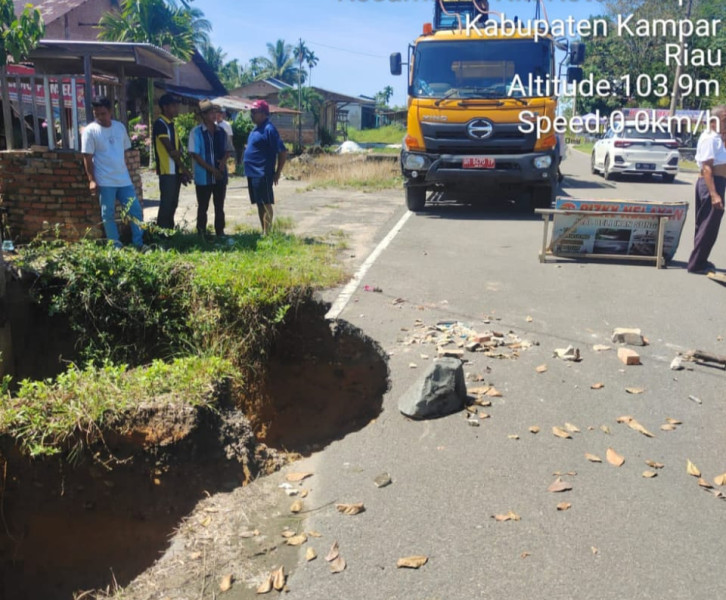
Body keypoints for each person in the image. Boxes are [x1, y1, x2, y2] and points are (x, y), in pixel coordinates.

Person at [81, 96, 145, 249]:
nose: (100, 117)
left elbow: (123, 151)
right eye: (97, 114)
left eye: (103, 113)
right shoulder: (90, 131)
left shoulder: (119, 128)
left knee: (135, 210)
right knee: (108, 215)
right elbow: (87, 157)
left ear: (110, 111)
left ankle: (138, 243)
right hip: (105, 181)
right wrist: (92, 180)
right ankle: (116, 246)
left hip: (123, 179)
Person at [687, 105, 726, 274]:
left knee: (708, 225)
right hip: (711, 183)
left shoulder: (717, 138)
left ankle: (700, 260)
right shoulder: (710, 138)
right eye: (725, 120)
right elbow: (707, 168)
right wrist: (714, 193)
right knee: (708, 226)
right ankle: (696, 264)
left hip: (716, 182)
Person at [188, 100, 233, 238]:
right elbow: (195, 155)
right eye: (210, 112)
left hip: (220, 175)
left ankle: (220, 232)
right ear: (203, 115)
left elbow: (228, 150)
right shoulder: (196, 132)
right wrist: (212, 170)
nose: (214, 115)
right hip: (204, 177)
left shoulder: (222, 131)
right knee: (203, 206)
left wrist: (223, 162)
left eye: (215, 112)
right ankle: (201, 233)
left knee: (219, 206)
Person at [243, 100, 287, 236]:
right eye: (252, 112)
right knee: (259, 203)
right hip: (253, 173)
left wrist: (278, 172)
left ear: (263, 113)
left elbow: (282, 151)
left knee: (266, 202)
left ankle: (267, 233)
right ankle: (263, 230)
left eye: (254, 112)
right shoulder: (256, 129)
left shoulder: (269, 129)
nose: (252, 114)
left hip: (262, 172)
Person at [153, 93, 191, 230]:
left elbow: (178, 151)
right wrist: (185, 168)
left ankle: (169, 230)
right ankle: (162, 233)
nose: (176, 108)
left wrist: (181, 171)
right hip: (166, 170)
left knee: (173, 203)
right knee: (167, 203)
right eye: (173, 105)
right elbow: (172, 151)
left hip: (175, 171)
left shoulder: (171, 124)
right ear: (165, 107)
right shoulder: (160, 124)